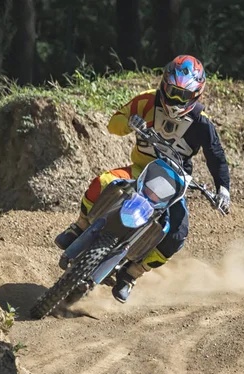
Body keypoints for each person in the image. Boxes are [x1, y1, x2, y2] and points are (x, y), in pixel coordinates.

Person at [54, 55, 231, 303]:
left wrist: (223, 190)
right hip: (140, 168)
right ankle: (80, 226)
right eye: (171, 91)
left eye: (182, 95)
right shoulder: (147, 100)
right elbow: (113, 125)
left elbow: (216, 157)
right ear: (163, 84)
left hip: (174, 184)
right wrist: (129, 122)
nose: (175, 100)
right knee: (102, 182)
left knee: (177, 235)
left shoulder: (202, 123)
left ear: (196, 95)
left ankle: (131, 274)